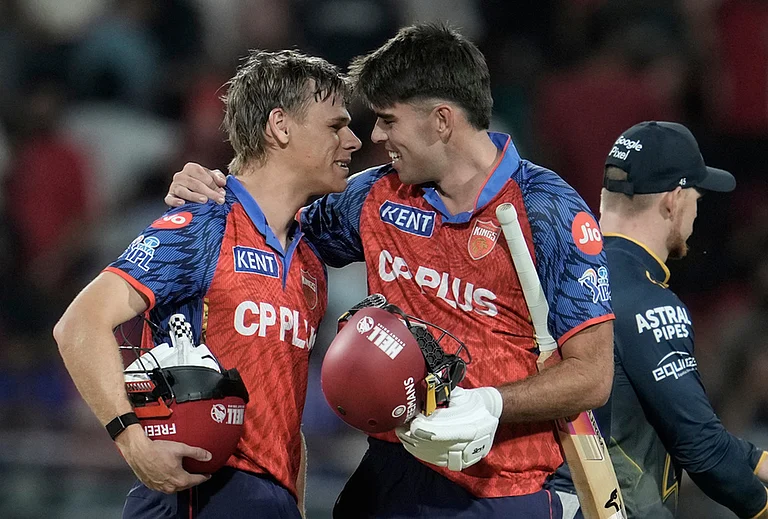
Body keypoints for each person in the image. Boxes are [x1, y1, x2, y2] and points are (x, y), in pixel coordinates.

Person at [165, 23, 615, 518]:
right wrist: (216, 186)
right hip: (389, 479)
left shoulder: (548, 211)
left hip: (505, 490)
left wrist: (489, 404)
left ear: (441, 121)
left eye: (387, 119)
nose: (373, 136)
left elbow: (592, 376)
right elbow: (270, 216)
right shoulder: (374, 196)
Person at [53, 49, 362, 518]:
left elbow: (282, 413)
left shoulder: (309, 258)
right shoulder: (203, 226)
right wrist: (132, 441)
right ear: (280, 126)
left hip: (271, 500)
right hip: (197, 496)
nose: (353, 140)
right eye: (335, 126)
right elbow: (79, 324)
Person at [550, 121, 768, 518]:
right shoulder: (650, 303)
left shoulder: (560, 270)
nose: (698, 208)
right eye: (697, 195)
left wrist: (757, 459)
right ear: (674, 198)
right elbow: (704, 452)